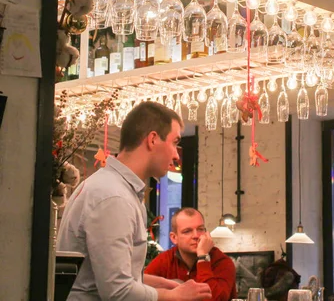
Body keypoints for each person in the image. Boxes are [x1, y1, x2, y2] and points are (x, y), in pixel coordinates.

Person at [57, 101, 211, 301]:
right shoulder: (114, 197)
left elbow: (101, 276)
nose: (176, 155)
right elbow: (117, 292)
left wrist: (154, 283)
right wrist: (175, 296)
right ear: (153, 139)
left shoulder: (111, 187)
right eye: (175, 142)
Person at [144, 208, 236, 301]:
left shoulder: (222, 262)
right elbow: (140, 289)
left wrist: (203, 257)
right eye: (187, 231)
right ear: (174, 238)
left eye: (200, 229)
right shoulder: (165, 260)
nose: (196, 236)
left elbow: (215, 299)